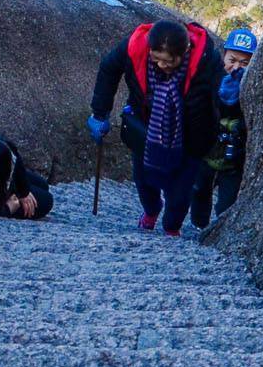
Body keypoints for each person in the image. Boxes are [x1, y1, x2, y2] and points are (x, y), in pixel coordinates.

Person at [88, 17, 221, 234]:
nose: (161, 65)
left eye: (169, 62)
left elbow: (220, 91)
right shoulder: (135, 47)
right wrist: (100, 112)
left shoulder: (206, 59)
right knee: (143, 178)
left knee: (180, 192)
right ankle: (151, 210)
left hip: (193, 133)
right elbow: (109, 68)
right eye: (156, 58)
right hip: (146, 128)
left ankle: (171, 228)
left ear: (185, 51)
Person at [189, 25, 257, 228]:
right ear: (224, 56)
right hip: (208, 148)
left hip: (235, 157)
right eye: (232, 60)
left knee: (227, 199)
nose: (237, 67)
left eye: (245, 63)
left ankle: (219, 230)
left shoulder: (254, 88)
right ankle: (199, 226)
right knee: (200, 190)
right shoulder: (213, 79)